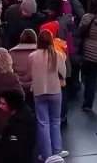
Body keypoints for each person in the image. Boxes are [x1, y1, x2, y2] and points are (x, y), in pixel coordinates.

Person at [30, 28, 65, 163]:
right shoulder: (58, 54)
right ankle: (57, 151)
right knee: (55, 121)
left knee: (42, 123)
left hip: (39, 92)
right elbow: (63, 71)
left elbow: (29, 73)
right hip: (55, 90)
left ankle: (46, 155)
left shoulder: (32, 56)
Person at [0, 88, 36, 163]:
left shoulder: (16, 126)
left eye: (3, 104)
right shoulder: (27, 115)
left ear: (12, 104)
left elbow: (14, 150)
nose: (0, 106)